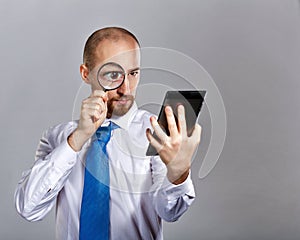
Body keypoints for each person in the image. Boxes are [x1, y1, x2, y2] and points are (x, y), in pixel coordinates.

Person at [14, 27, 202, 240]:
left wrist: (178, 174)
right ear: (86, 74)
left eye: (133, 73)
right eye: (113, 75)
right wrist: (77, 139)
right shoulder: (58, 137)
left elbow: (170, 212)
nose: (126, 89)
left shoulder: (157, 133)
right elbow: (28, 208)